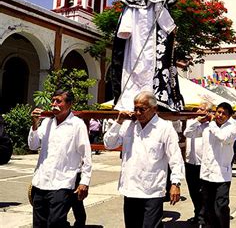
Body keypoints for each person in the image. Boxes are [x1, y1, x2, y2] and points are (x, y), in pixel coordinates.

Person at [111, 0, 185, 112]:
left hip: (153, 38)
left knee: (149, 65)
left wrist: (170, 27)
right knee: (131, 66)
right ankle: (128, 99)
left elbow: (160, 10)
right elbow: (128, 11)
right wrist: (125, 29)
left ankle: (151, 99)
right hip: (134, 37)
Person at [103, 91, 184, 228]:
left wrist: (175, 183)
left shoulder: (165, 128)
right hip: (130, 188)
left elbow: (175, 157)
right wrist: (119, 122)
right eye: (136, 109)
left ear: (154, 109)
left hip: (152, 189)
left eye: (142, 109)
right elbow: (109, 144)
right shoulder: (129, 125)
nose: (138, 113)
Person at [29, 89, 92, 227]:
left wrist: (84, 182)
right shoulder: (46, 123)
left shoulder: (77, 125)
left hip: (63, 182)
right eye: (53, 100)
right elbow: (33, 145)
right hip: (41, 182)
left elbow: (86, 155)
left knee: (55, 222)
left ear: (69, 104)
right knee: (39, 224)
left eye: (59, 101)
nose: (54, 104)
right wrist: (34, 125)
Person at [185, 102, 236, 228]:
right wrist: (198, 120)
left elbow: (222, 137)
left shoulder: (232, 127)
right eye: (218, 112)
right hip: (206, 173)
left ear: (229, 116)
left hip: (221, 174)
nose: (220, 115)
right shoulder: (206, 126)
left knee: (221, 206)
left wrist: (212, 123)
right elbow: (188, 133)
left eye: (224, 114)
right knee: (208, 207)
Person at [182, 102, 213, 225]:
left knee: (204, 192)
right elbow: (187, 133)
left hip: (204, 163)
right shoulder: (192, 122)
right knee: (193, 191)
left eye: (202, 109)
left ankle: (203, 217)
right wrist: (197, 121)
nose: (199, 111)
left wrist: (208, 120)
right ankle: (198, 213)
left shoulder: (211, 126)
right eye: (198, 109)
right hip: (190, 162)